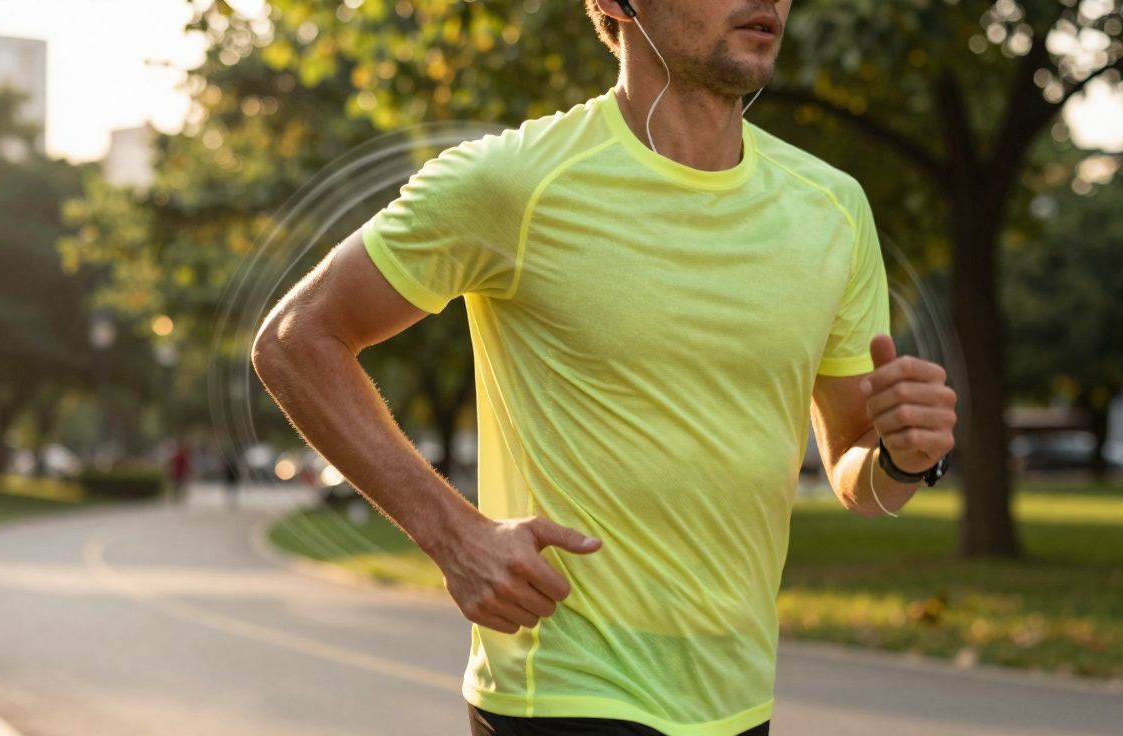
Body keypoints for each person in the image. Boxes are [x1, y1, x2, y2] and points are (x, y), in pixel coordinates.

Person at [251, 1, 958, 734]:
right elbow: (296, 340)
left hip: (735, 698)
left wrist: (902, 460)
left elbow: (854, 474)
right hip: (562, 690)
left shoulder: (833, 209)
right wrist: (453, 534)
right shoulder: (514, 182)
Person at [167, 437, 193, 505]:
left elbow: (186, 464)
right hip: (178, 472)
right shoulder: (180, 454)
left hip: (180, 472)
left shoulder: (181, 454)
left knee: (178, 485)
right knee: (178, 485)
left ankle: (177, 496)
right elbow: (186, 464)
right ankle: (176, 496)